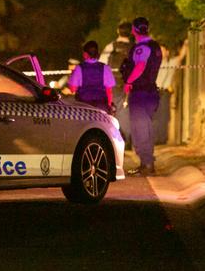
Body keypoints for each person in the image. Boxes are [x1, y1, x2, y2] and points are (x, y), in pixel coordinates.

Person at [124, 17, 162, 176]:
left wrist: (128, 81)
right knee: (146, 128)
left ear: (134, 30)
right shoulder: (155, 46)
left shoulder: (141, 48)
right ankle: (147, 163)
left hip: (140, 93)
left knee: (140, 129)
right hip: (151, 92)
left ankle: (146, 164)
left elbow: (140, 67)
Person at [99, 22, 134, 142]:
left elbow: (101, 64)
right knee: (125, 112)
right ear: (131, 32)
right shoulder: (134, 48)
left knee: (110, 111)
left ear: (118, 31)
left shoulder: (111, 46)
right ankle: (127, 140)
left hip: (111, 83)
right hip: (128, 84)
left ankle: (112, 139)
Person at [68, 40, 116, 113]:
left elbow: (73, 89)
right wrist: (109, 105)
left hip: (83, 106)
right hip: (101, 106)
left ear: (85, 54)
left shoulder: (79, 68)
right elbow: (109, 90)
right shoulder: (105, 68)